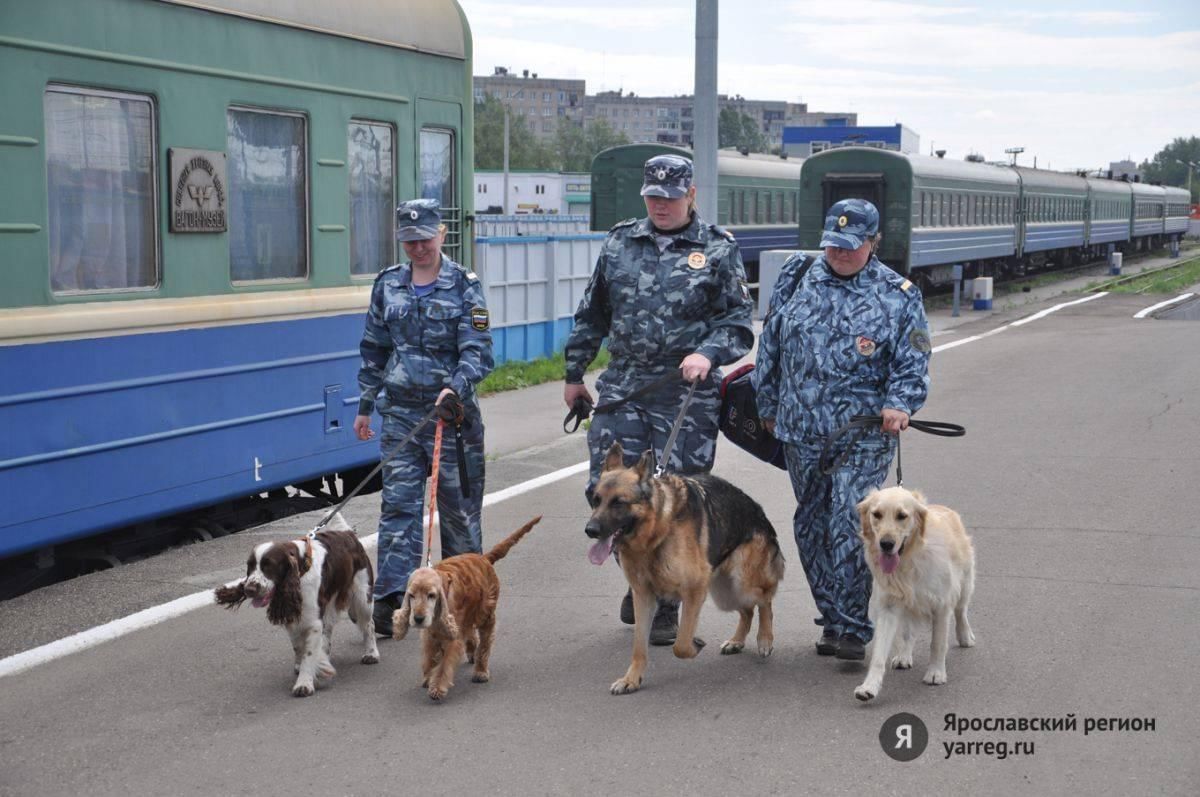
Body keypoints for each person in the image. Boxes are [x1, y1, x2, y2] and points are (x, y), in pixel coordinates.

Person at [563, 154, 755, 645]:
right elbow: (593, 314)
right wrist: (574, 372)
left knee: (679, 499)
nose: (661, 205)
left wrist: (707, 354)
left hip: (685, 393)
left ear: (691, 195)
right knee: (606, 490)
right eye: (653, 197)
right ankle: (638, 573)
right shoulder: (620, 241)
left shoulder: (717, 249)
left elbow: (737, 324)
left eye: (670, 198)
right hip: (625, 386)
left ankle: (665, 605)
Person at [753, 198, 931, 661]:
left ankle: (854, 626)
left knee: (848, 522)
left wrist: (899, 402)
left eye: (851, 247)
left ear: (874, 243)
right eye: (833, 245)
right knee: (810, 523)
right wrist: (767, 403)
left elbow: (913, 361)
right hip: (800, 429)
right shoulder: (796, 276)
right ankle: (832, 618)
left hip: (863, 434)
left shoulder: (899, 294)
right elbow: (770, 343)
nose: (840, 254)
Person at [354, 199, 494, 637]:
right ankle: (393, 598)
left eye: (425, 239)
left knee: (457, 514)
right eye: (409, 241)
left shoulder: (465, 286)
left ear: (442, 235)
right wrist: (364, 403)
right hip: (399, 415)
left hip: (450, 419)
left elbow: (479, 350)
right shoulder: (388, 285)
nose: (417, 248)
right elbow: (374, 347)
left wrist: (457, 387)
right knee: (397, 508)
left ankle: (466, 599)